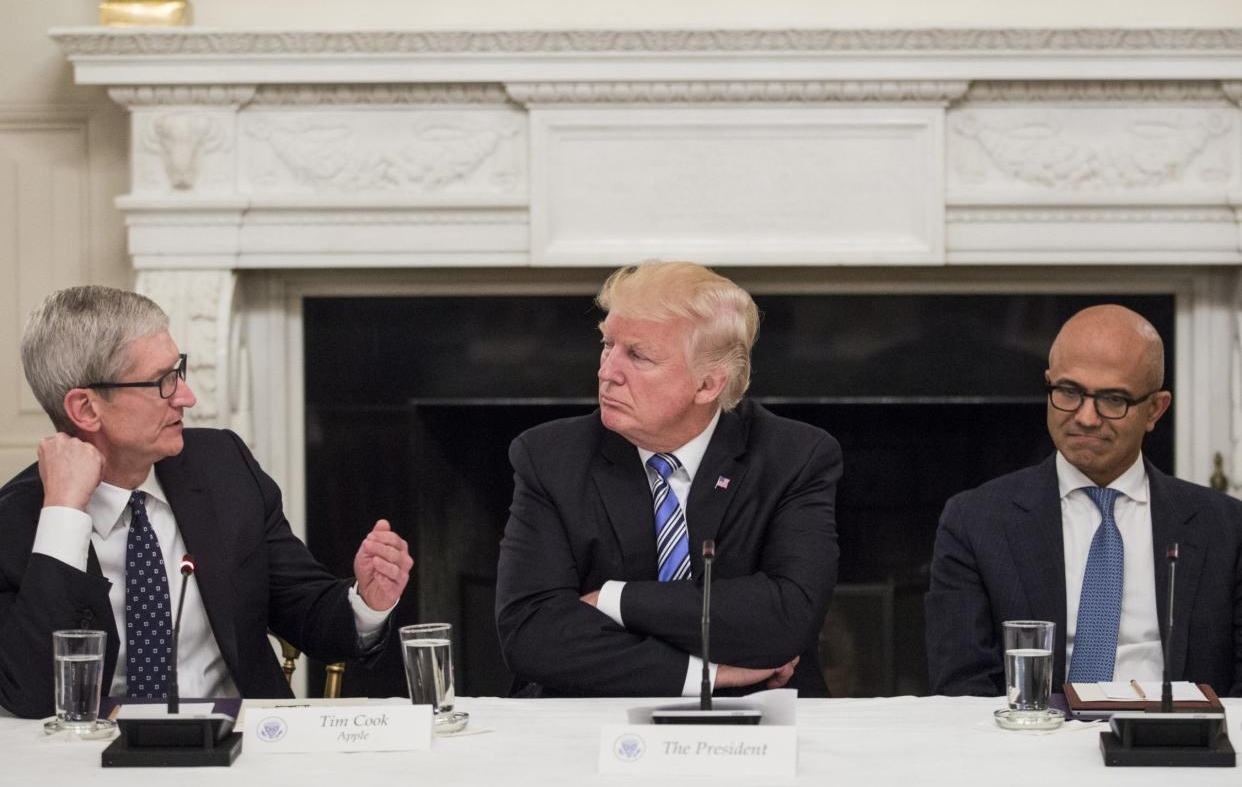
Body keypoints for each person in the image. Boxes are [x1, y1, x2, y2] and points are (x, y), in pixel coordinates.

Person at [0, 286, 414, 718]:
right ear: (86, 409)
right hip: (98, 763)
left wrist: (367, 601)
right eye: (162, 381)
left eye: (177, 371)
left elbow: (304, 609)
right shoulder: (18, 519)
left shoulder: (222, 467)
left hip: (240, 747)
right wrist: (65, 514)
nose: (186, 396)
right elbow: (34, 697)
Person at [495, 261, 841, 697]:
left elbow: (787, 619)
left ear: (708, 385)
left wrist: (611, 600)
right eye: (608, 345)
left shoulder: (795, 457)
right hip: (592, 718)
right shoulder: (549, 457)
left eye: (637, 355)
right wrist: (707, 674)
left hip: (758, 719)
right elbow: (532, 636)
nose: (607, 372)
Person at [926, 304, 1242, 697]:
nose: (1086, 418)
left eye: (1113, 399)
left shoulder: (1226, 528)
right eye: (1069, 392)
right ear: (1049, 384)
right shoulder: (975, 521)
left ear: (1155, 410)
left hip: (1177, 747)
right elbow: (962, 685)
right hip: (1031, 745)